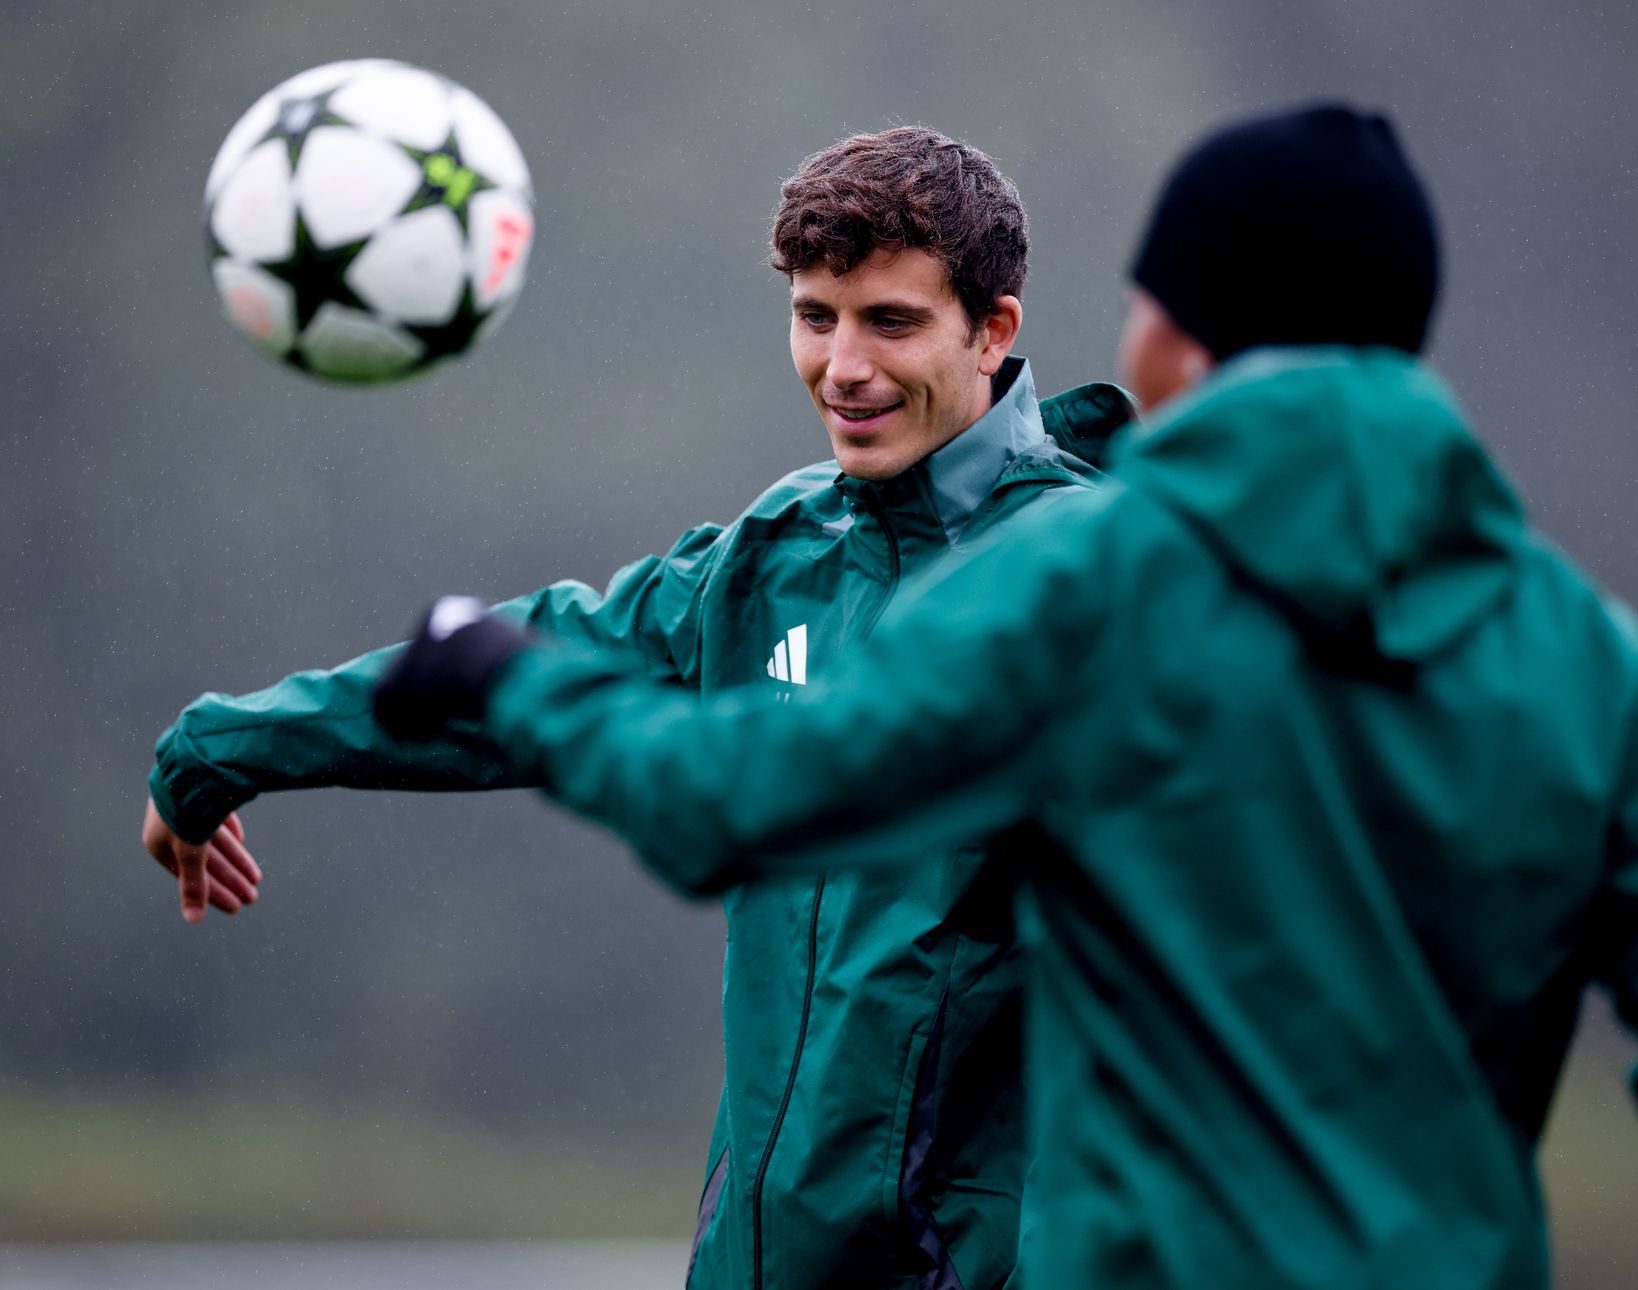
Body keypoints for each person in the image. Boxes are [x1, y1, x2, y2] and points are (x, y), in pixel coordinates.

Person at [371, 104, 1638, 1289]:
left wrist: (503, 677)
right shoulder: (1577, 648)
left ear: (1185, 330)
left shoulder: (1092, 585)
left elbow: (739, 798)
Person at [141, 126, 1136, 1290]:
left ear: (994, 329)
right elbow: (523, 664)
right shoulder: (779, 549)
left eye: (892, 322)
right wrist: (220, 748)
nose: (845, 367)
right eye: (817, 318)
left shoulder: (1097, 573)